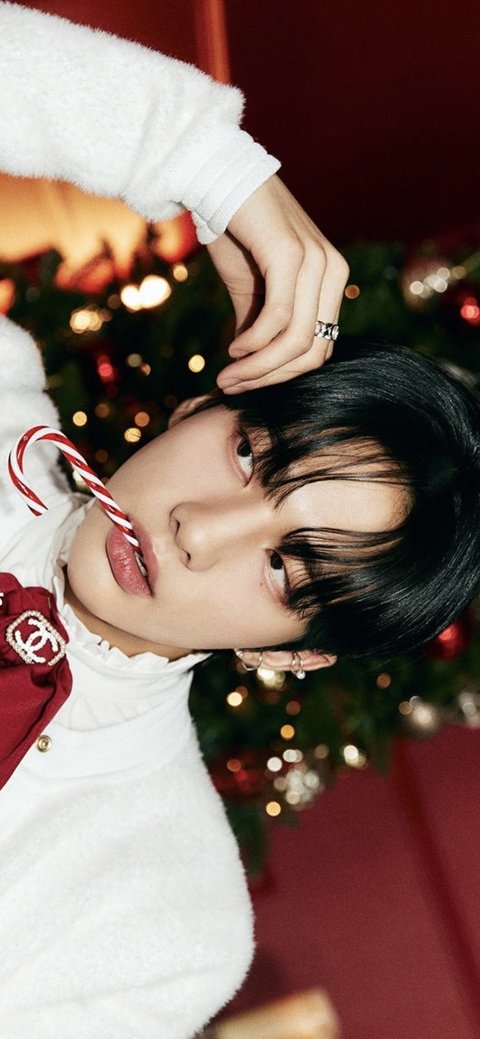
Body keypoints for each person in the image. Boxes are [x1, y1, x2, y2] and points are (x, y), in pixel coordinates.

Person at [0, 4, 480, 1039]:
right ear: (197, 407)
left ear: (295, 654)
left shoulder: (165, 914)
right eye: (250, 456)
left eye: (285, 571)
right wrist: (203, 161)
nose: (200, 531)